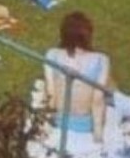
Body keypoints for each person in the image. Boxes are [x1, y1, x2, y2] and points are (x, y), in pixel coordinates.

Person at [44, 12, 111, 147]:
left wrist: (47, 127)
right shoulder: (101, 60)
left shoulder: (52, 54)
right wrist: (98, 137)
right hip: (85, 125)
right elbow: (97, 100)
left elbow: (51, 95)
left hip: (59, 120)